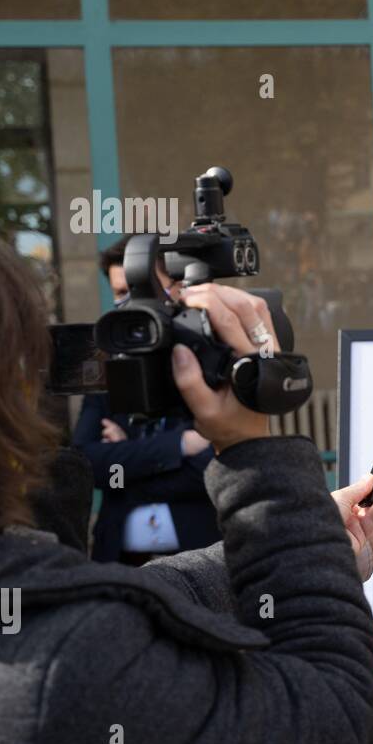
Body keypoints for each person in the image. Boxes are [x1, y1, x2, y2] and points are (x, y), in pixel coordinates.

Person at [0, 211, 373, 744]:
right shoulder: (65, 664)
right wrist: (253, 454)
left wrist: (307, 537)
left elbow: (93, 600)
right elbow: (332, 709)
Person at [74, 235, 219, 564]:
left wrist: (126, 465)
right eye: (122, 293)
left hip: (202, 561)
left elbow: (213, 470)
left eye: (141, 288)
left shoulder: (208, 360)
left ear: (178, 289)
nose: (131, 303)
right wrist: (179, 445)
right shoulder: (106, 365)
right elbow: (87, 463)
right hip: (120, 564)